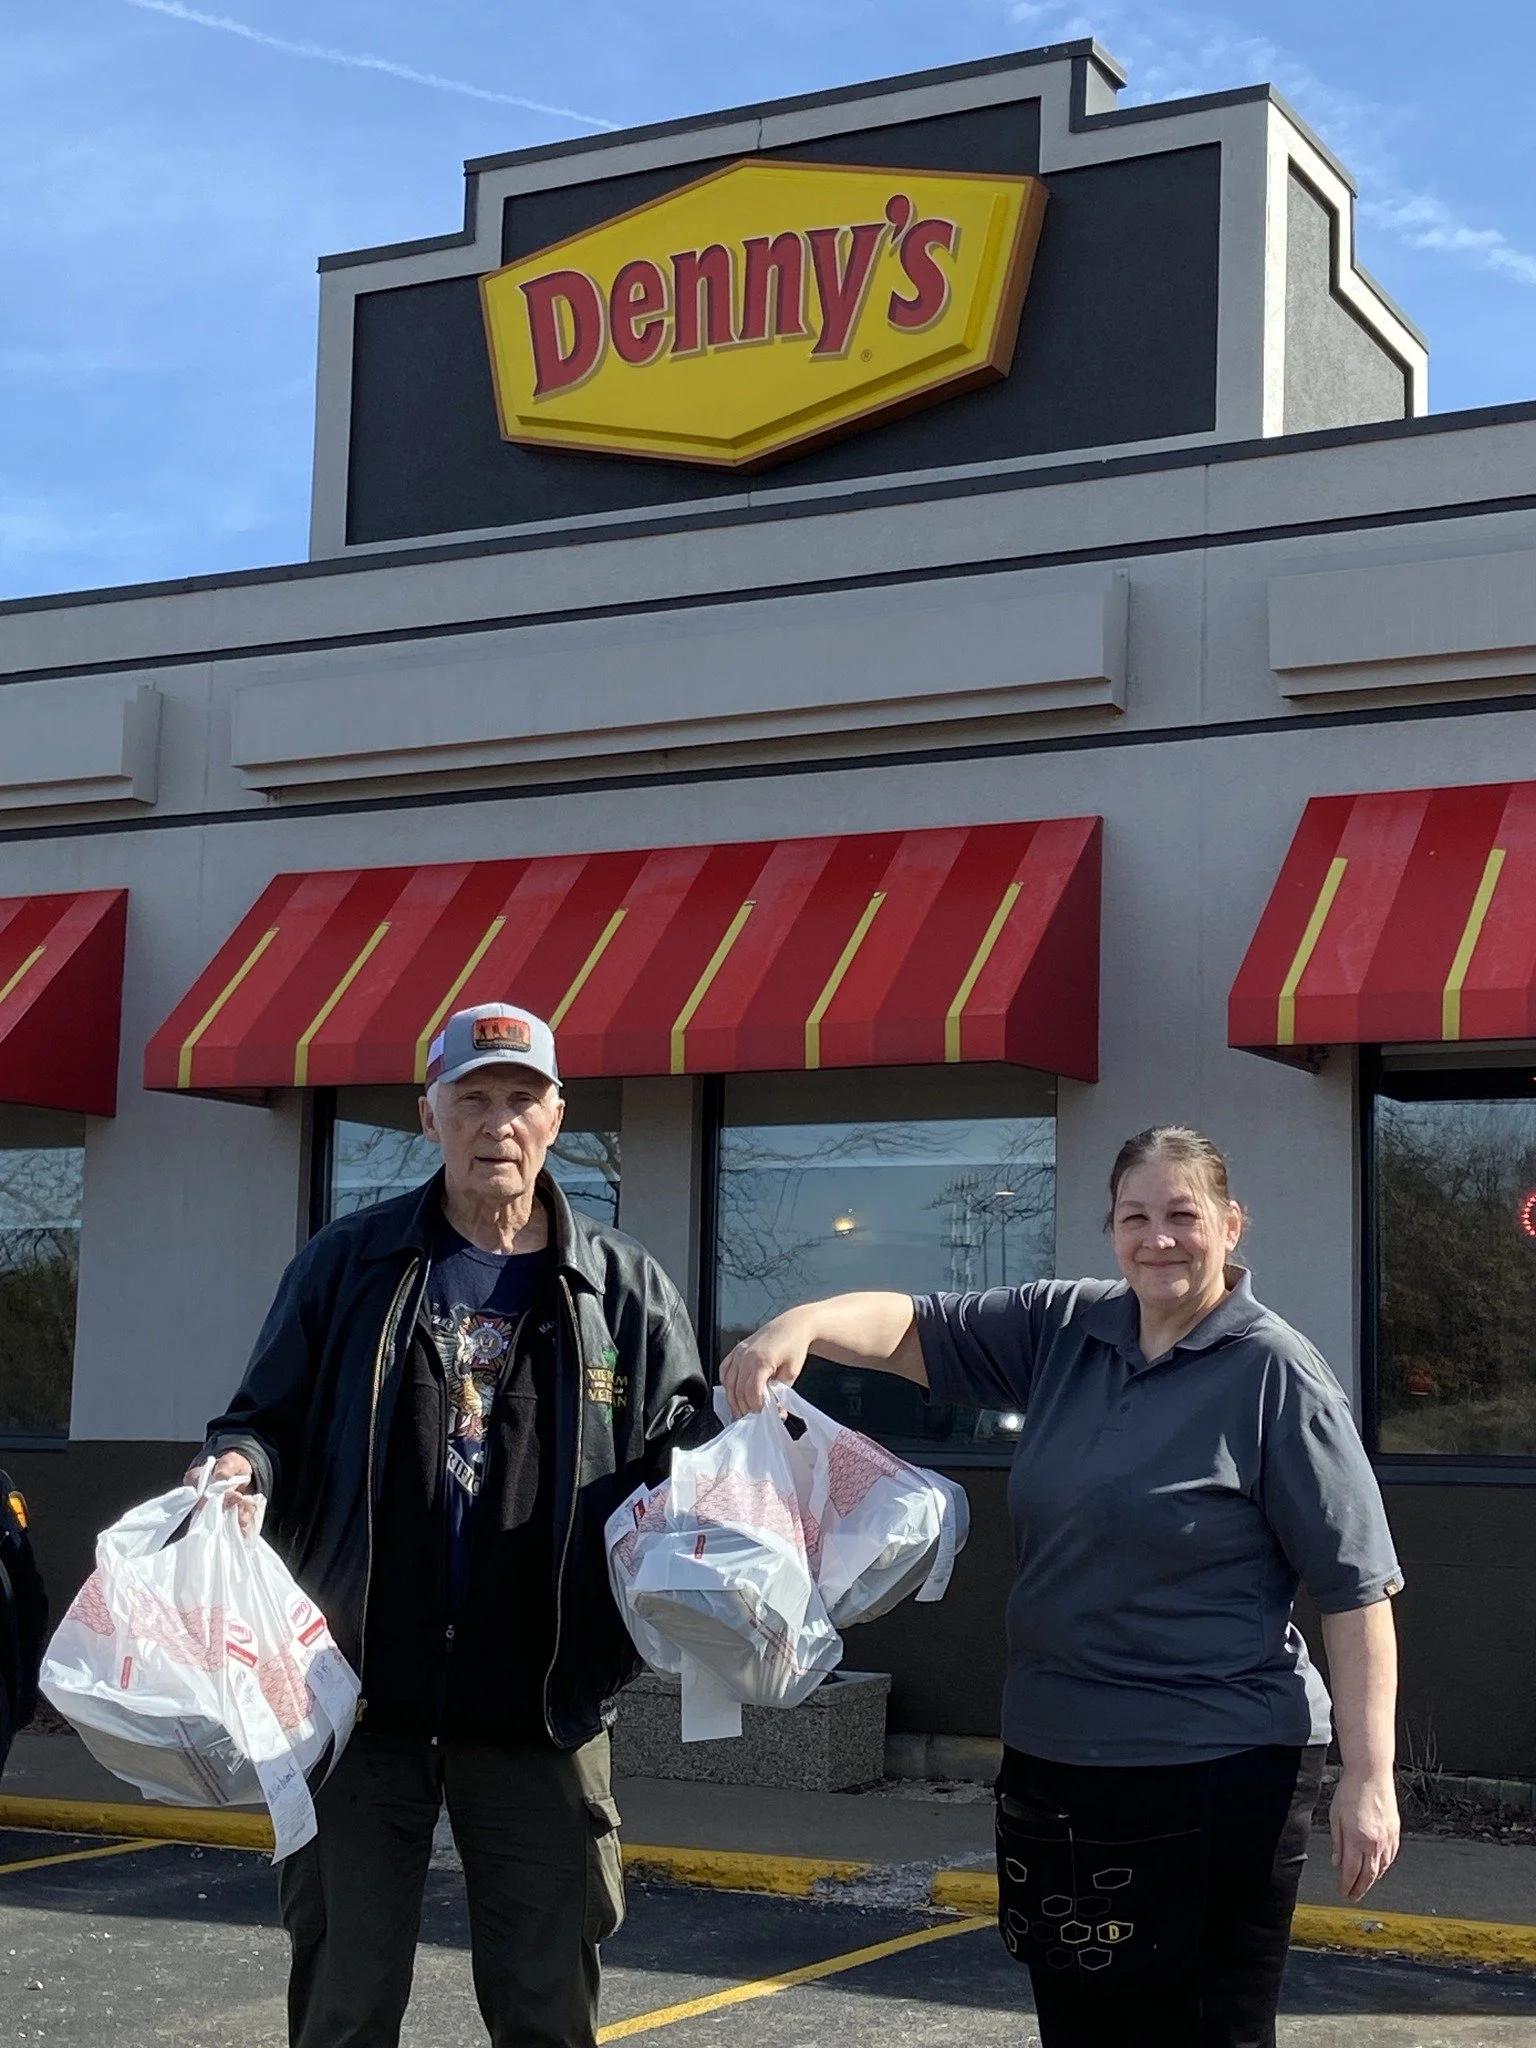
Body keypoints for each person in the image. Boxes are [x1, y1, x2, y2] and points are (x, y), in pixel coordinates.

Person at [721, 1124, 1402, 2048]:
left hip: (1218, 1767)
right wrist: (797, 1323)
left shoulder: (1277, 1375)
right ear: (1112, 1229)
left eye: (1183, 1215)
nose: (1159, 1238)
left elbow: (1357, 1589)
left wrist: (1370, 1778)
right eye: (1136, 1216)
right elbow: (912, 1329)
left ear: (1232, 1225)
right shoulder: (1064, 1327)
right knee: (1080, 2030)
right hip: (1060, 1766)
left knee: (1205, 2034)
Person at [191, 1001, 713, 2048]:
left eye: (522, 1097)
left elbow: (684, 1463)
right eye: (472, 1098)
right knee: (343, 2000)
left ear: (558, 1116)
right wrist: (240, 1466)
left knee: (546, 2007)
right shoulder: (347, 1266)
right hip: (354, 1706)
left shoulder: (625, 1290)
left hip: (544, 1710)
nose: (498, 1121)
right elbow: (262, 1419)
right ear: (427, 1116)